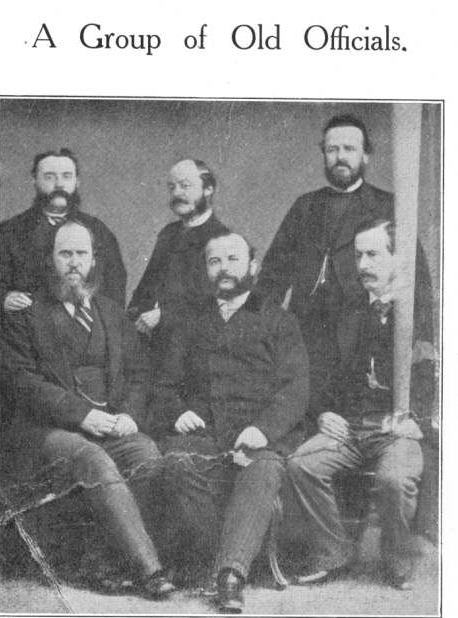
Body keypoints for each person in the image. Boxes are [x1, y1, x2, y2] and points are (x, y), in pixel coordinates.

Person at [0, 220, 173, 599]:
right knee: (92, 459)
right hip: (44, 432)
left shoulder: (111, 312)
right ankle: (150, 570)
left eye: (81, 254)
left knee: (147, 454)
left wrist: (128, 414)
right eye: (65, 254)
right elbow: (21, 382)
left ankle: (106, 560)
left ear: (94, 260)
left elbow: (139, 372)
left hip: (109, 423)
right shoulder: (24, 313)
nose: (73, 262)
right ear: (51, 260)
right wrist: (81, 415)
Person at [151, 232, 309, 613]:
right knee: (175, 462)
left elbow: (296, 388)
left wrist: (262, 430)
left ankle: (230, 576)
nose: (224, 269)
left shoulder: (278, 320)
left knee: (262, 470)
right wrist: (177, 411)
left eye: (233, 260)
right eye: (215, 261)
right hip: (204, 436)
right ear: (206, 269)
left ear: (252, 266)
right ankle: (216, 559)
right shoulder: (189, 320)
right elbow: (163, 384)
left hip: (258, 435)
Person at [285, 219, 435, 590]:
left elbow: (434, 374)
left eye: (373, 254)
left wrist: (417, 418)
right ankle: (333, 550)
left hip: (399, 429)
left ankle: (398, 557)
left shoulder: (421, 314)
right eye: (358, 255)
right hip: (351, 427)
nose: (363, 265)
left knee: (394, 480)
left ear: (398, 260)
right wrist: (324, 412)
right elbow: (319, 371)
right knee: (301, 464)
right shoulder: (346, 312)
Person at [256, 114, 432, 413]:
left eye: (349, 149)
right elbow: (272, 275)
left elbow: (417, 280)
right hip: (306, 334)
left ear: (365, 155)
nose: (340, 157)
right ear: (323, 154)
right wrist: (260, 330)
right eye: (332, 149)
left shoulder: (388, 205)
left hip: (362, 334)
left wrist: (424, 337)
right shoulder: (304, 206)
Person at [0, 148, 127, 313]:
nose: (59, 184)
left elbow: (114, 284)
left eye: (67, 176)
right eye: (49, 177)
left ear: (77, 181)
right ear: (34, 180)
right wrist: (3, 298)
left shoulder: (97, 230)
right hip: (29, 327)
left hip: (84, 326)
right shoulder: (10, 231)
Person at [127, 158, 229, 357]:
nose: (176, 194)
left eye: (185, 186)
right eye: (172, 187)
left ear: (208, 189)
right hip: (152, 345)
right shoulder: (168, 233)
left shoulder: (222, 239)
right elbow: (144, 290)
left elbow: (216, 304)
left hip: (195, 351)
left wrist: (163, 316)